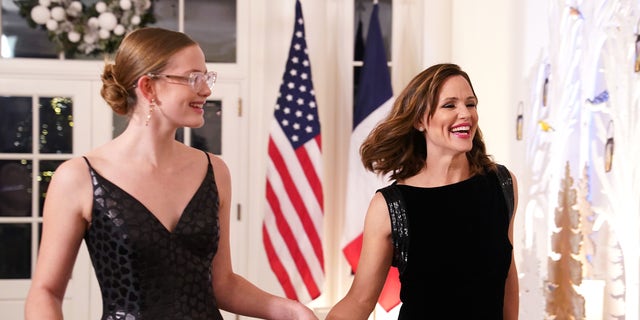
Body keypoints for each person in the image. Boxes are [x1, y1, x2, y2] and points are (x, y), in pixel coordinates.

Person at [24, 27, 318, 320]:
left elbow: (222, 284)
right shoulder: (78, 178)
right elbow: (45, 292)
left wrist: (293, 311)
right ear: (148, 87)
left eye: (206, 77)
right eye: (194, 78)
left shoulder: (215, 171)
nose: (206, 90)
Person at [326, 63, 519, 320]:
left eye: (470, 104)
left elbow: (507, 278)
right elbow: (359, 301)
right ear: (419, 121)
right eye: (450, 105)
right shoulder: (390, 206)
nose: (466, 114)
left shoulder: (502, 183)